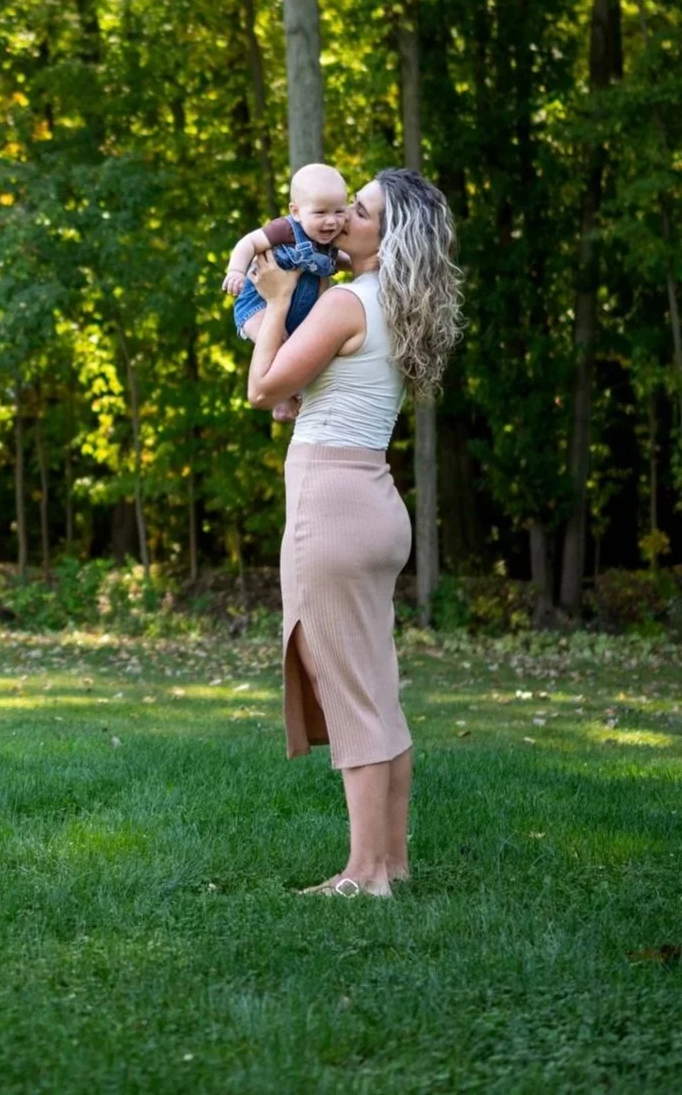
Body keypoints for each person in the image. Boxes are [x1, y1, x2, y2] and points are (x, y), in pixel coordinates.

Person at [247, 168, 462, 897]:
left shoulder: (344, 303)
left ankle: (365, 873)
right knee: (376, 691)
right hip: (372, 500)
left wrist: (276, 302)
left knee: (351, 696)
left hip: (331, 506)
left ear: (384, 234)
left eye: (360, 211)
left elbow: (263, 386)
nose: (342, 221)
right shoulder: (394, 304)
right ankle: (390, 863)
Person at [223, 162, 350, 422]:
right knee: (275, 344)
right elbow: (248, 242)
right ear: (296, 211)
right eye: (320, 212)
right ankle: (282, 399)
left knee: (299, 352)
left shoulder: (330, 242)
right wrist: (235, 270)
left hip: (296, 312)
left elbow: (340, 261)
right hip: (257, 305)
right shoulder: (285, 229)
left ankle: (295, 394)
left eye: (339, 211)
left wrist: (367, 263)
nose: (331, 220)